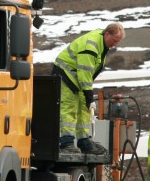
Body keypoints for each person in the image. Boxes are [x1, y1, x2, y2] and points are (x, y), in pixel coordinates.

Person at [53, 22, 125, 155]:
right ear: (107, 34)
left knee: (84, 108)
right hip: (67, 74)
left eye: (118, 42)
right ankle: (67, 142)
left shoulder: (101, 43)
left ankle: (84, 141)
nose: (115, 45)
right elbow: (85, 72)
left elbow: (87, 74)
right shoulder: (91, 46)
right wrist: (89, 94)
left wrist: (87, 97)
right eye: (115, 40)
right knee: (69, 107)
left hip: (77, 77)